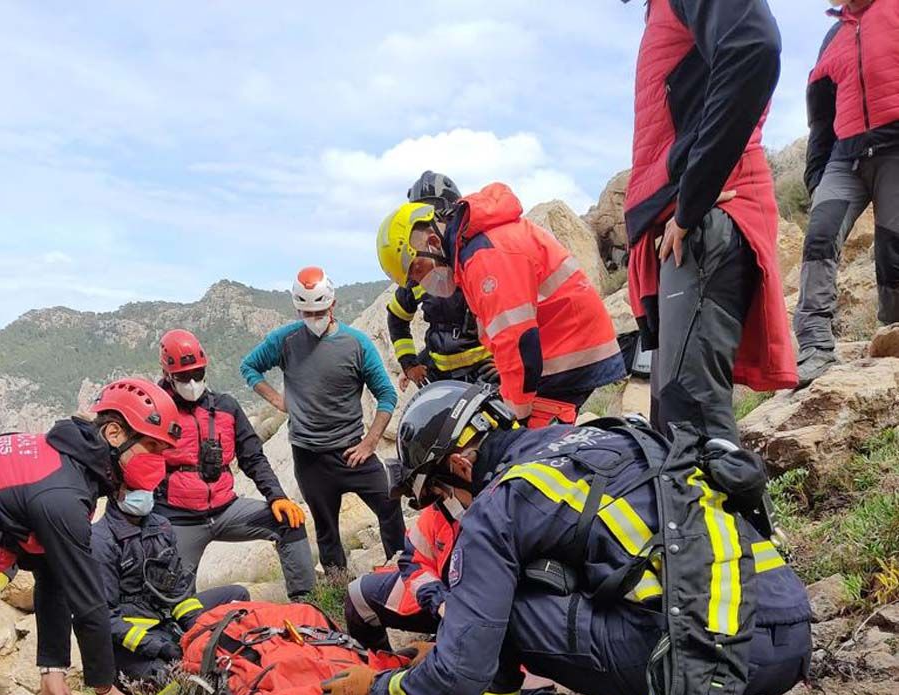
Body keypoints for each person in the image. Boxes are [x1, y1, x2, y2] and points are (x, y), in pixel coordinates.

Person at [323, 381, 812, 695]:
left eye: (437, 493)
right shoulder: (608, 437)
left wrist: (378, 690)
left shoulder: (498, 504)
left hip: (706, 648)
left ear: (460, 465)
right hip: (786, 631)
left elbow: (462, 672)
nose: (443, 506)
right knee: (604, 586)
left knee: (503, 617)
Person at [622, 0, 797, 442]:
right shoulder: (663, 10)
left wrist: (693, 196)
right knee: (675, 431)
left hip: (703, 221)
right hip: (677, 229)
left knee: (693, 430)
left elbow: (753, 46)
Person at [0, 378, 187, 695]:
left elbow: (51, 572)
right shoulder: (64, 495)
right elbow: (88, 602)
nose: (159, 462)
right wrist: (105, 687)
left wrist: (51, 668)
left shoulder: (66, 464)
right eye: (151, 447)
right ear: (114, 434)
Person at [376, 183, 626, 427]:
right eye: (413, 279)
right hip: (557, 351)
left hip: (565, 356)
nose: (421, 281)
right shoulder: (470, 252)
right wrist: (410, 361)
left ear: (432, 242)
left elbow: (517, 342)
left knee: (527, 448)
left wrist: (514, 414)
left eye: (417, 269)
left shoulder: (484, 258)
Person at [240, 267, 406, 574]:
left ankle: (402, 572)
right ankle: (338, 591)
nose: (313, 317)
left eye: (319, 310)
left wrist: (369, 443)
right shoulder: (285, 340)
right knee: (327, 531)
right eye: (306, 312)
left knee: (390, 506)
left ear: (333, 305)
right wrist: (277, 399)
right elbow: (249, 367)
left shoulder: (357, 344)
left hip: (352, 451)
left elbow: (387, 395)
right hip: (309, 456)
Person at [156, 329, 313, 598]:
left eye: (198, 374)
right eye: (184, 377)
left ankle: (307, 603)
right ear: (168, 374)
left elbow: (252, 457)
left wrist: (276, 497)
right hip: (179, 518)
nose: (192, 382)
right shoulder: (156, 412)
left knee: (289, 522)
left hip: (226, 508)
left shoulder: (226, 407)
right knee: (173, 596)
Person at [793, 0, 899, 387]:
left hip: (895, 149)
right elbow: (821, 115)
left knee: (893, 249)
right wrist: (815, 176)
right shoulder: (832, 37)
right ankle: (815, 348)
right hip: (845, 156)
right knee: (819, 236)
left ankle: (893, 337)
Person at [92, 493, 249, 688]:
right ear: (115, 492)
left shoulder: (161, 527)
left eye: (146, 488)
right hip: (134, 640)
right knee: (177, 680)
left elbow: (179, 593)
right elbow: (106, 619)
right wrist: (160, 647)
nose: (142, 493)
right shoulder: (100, 541)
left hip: (167, 620)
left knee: (237, 596)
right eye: (134, 488)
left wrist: (199, 629)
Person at [387, 172, 495, 389]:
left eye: (437, 214)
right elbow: (397, 319)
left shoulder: (475, 262)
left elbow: (511, 318)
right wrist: (410, 364)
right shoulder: (416, 278)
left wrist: (508, 363)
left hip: (488, 374)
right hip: (441, 379)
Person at [344, 494, 460, 651]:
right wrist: (438, 600)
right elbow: (413, 560)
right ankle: (381, 663)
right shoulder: (441, 505)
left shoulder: (496, 509)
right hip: (442, 598)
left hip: (485, 617)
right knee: (358, 595)